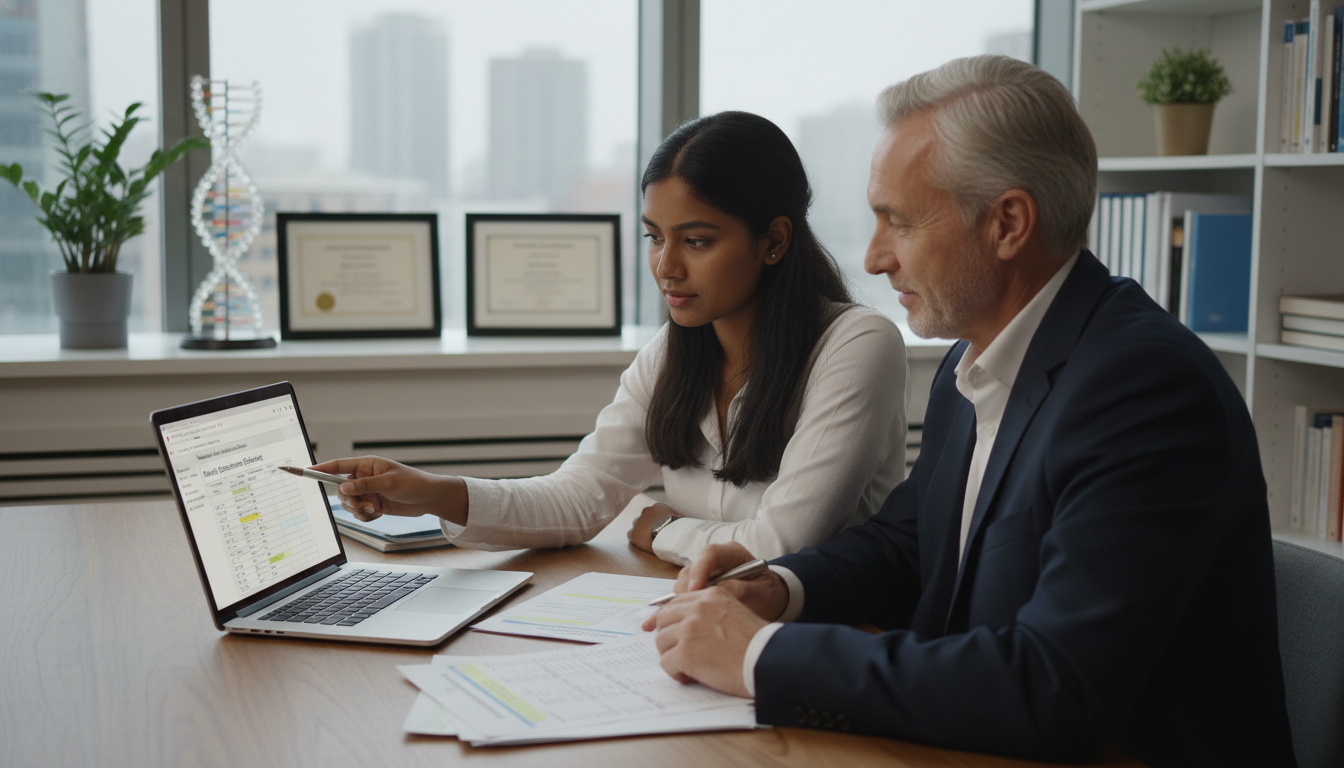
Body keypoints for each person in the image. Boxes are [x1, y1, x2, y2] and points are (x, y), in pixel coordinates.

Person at [644, 56, 1297, 767]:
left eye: (898, 222)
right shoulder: (975, 359)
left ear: (1008, 223)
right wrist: (778, 587)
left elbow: (1054, 686)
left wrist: (761, 655)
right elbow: (912, 542)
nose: (873, 258)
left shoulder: (1145, 389)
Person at [315, 111, 907, 567]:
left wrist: (665, 530)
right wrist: (432, 492)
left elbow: (781, 547)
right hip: (695, 612)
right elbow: (577, 499)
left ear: (773, 240)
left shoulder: (857, 345)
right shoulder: (675, 353)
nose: (666, 267)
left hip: (828, 637)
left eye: (696, 241)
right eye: (655, 237)